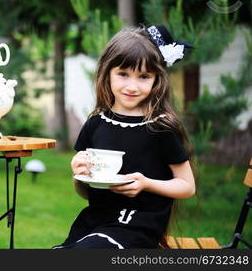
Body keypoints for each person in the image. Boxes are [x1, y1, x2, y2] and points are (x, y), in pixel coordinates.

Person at [53, 24, 196, 249]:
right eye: (123, 74)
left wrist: (146, 184)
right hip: (96, 221)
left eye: (144, 76)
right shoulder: (95, 124)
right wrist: (78, 174)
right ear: (107, 73)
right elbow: (85, 192)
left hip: (138, 226)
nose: (132, 86)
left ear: (156, 79)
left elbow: (187, 186)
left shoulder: (160, 128)